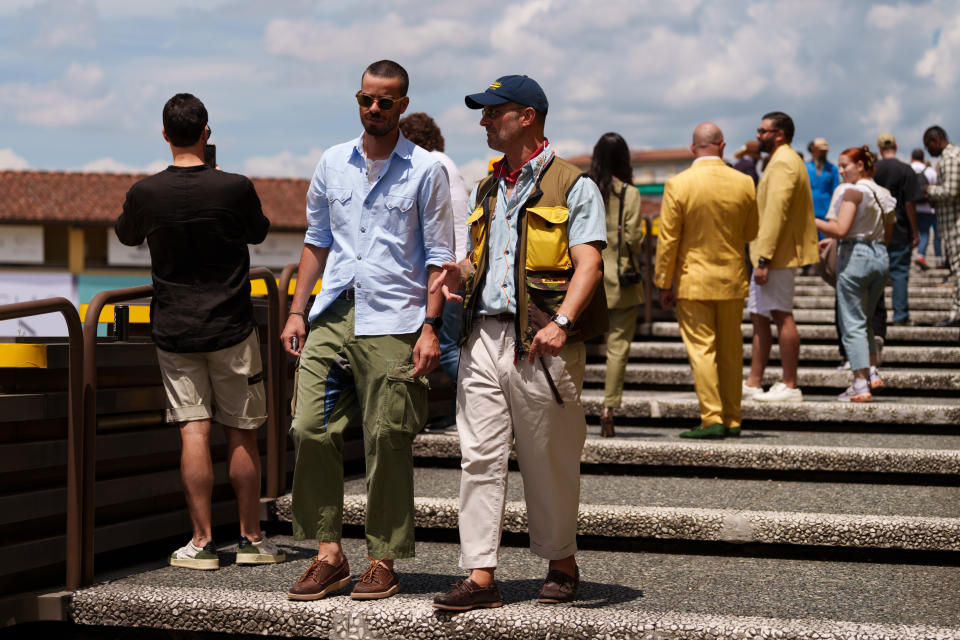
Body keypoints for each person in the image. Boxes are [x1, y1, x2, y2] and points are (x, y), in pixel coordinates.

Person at [430, 75, 606, 611]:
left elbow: (589, 263)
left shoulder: (575, 185)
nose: (483, 121)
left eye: (492, 112)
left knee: (547, 458)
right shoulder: (487, 187)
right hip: (482, 336)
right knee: (478, 456)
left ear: (526, 116)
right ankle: (480, 575)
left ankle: (561, 562)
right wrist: (459, 275)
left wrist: (564, 323)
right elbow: (483, 260)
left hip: (540, 342)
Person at [280, 60, 454, 601]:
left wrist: (430, 328)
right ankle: (328, 554)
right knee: (309, 426)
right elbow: (316, 240)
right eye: (366, 99)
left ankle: (383, 557)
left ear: (402, 105)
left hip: (395, 318)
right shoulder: (333, 162)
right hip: (333, 310)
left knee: (387, 438)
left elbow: (441, 258)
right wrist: (295, 309)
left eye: (385, 101)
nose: (373, 109)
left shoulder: (426, 170)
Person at [115, 93, 281, 570]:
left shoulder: (146, 193)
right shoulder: (234, 187)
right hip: (231, 325)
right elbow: (258, 232)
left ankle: (202, 542)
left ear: (165, 134)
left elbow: (127, 234)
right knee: (242, 433)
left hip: (173, 329)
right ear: (207, 132)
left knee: (193, 428)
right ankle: (250, 540)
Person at [655, 123, 758, 438]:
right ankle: (733, 417)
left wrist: (663, 281)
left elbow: (668, 239)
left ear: (692, 148)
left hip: (693, 279)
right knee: (730, 350)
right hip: (731, 277)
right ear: (722, 146)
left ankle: (712, 417)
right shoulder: (744, 182)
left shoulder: (678, 184)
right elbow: (752, 232)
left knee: (702, 350)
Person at [398, 112, 470, 431]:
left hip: (447, 271)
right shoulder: (447, 163)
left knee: (450, 347)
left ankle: (473, 414)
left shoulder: (431, 164)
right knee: (454, 344)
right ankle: (464, 416)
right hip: (458, 266)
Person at [743, 111, 819, 402]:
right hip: (771, 253)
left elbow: (776, 213)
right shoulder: (780, 160)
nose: (758, 135)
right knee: (760, 315)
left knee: (780, 315)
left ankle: (789, 384)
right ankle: (754, 380)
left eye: (763, 131)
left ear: (780, 134)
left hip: (775, 255)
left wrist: (764, 258)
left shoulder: (784, 162)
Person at [816, 147, 895, 401]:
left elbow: (840, 229)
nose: (840, 171)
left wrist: (809, 219)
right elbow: (888, 232)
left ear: (860, 165)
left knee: (852, 322)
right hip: (879, 255)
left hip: (855, 256)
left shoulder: (852, 192)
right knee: (866, 318)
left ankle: (860, 383)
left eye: (845, 166)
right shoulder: (884, 194)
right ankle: (872, 371)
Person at [588, 132, 644, 438]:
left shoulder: (582, 188)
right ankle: (608, 408)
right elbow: (634, 240)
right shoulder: (629, 194)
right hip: (621, 281)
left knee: (573, 344)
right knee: (618, 347)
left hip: (585, 281)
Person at [873, 133, 922, 326]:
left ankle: (877, 317)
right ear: (896, 145)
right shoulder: (905, 169)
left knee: (876, 275)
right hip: (900, 228)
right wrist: (915, 229)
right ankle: (900, 315)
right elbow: (910, 202)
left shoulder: (873, 169)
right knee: (900, 273)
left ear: (879, 149)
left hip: (876, 229)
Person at [923, 126, 960, 326]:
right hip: (953, 223)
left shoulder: (950, 158)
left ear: (935, 140)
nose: (929, 151)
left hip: (956, 225)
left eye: (928, 146)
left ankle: (957, 313)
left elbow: (952, 190)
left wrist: (930, 191)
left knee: (958, 269)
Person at [911, 148, 941, 269]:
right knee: (937, 236)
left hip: (914, 208)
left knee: (922, 233)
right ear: (923, 158)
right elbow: (937, 188)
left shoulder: (908, 169)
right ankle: (939, 259)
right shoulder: (930, 171)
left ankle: (920, 255)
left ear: (911, 158)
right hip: (930, 208)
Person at [806, 138, 840, 229]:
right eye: (820, 151)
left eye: (824, 151)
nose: (822, 153)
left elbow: (835, 191)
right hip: (808, 211)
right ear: (813, 151)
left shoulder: (832, 168)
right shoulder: (806, 167)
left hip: (826, 211)